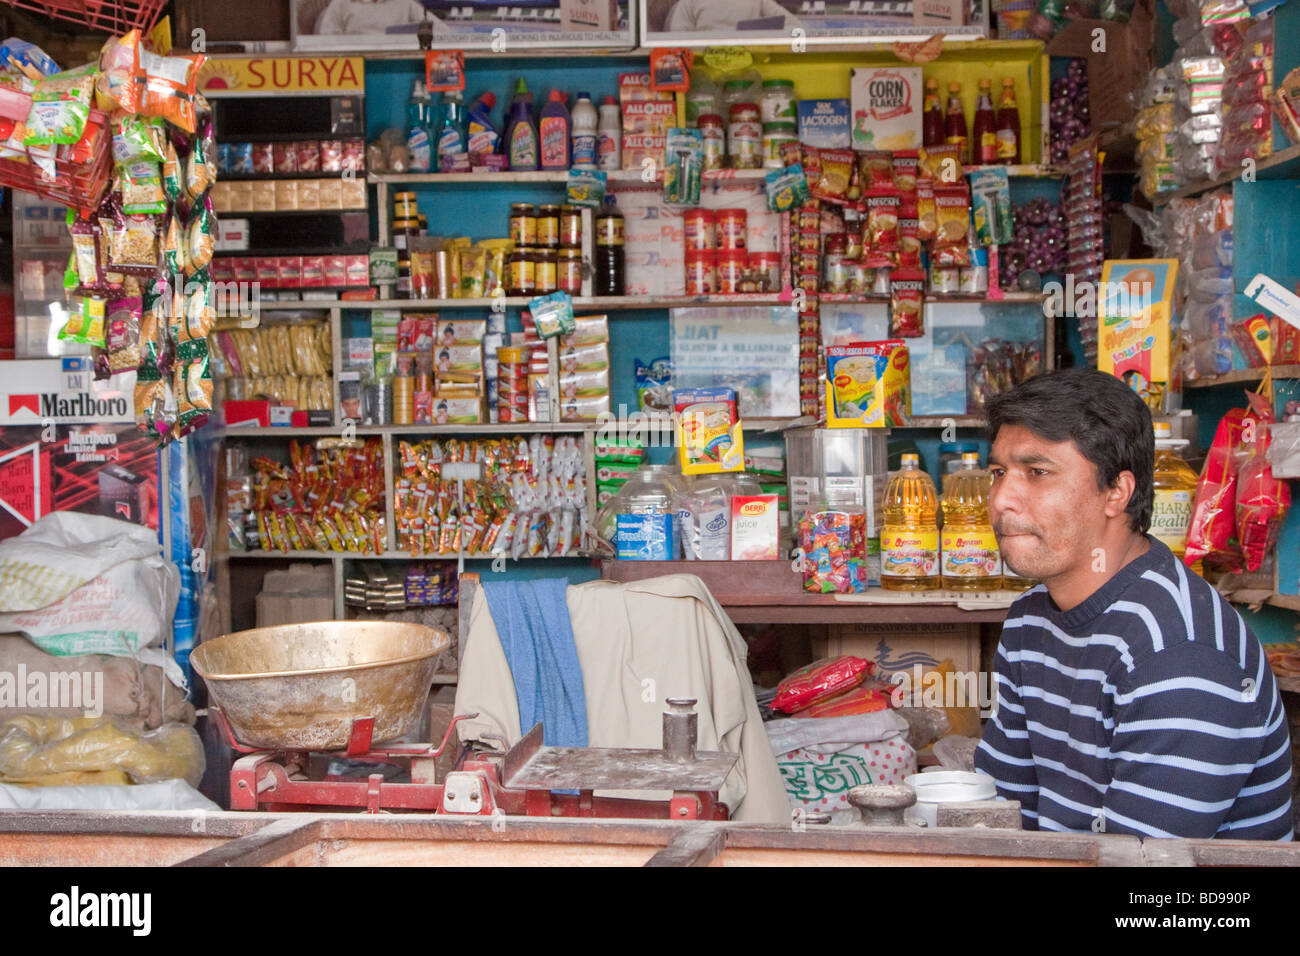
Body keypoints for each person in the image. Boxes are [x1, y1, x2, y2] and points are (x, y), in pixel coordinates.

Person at [974, 367, 1293, 840]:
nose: (1001, 499)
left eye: (1037, 473)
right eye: (999, 472)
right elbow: (1003, 813)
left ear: (1116, 492)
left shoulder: (1178, 651)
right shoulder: (1030, 620)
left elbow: (1141, 868)